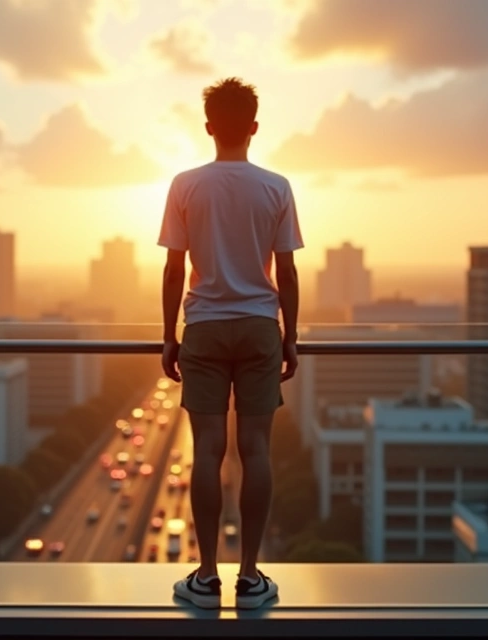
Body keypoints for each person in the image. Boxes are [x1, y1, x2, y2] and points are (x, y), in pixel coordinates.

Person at [158, 77, 303, 610]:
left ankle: (205, 575)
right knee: (256, 450)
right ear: (255, 128)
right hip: (261, 325)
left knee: (208, 451)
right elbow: (286, 272)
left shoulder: (185, 185)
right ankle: (249, 578)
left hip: (204, 327)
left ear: (209, 127)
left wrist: (168, 336)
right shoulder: (276, 186)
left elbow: (175, 269)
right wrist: (291, 337)